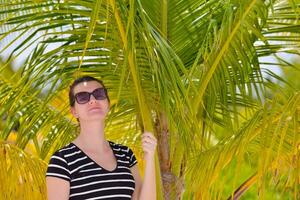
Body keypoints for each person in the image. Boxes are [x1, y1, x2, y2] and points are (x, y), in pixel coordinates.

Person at [46, 76, 157, 200]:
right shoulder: (62, 160)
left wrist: (150, 158)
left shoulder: (125, 154)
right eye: (83, 97)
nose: (93, 100)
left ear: (108, 104)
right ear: (74, 112)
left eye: (99, 94)